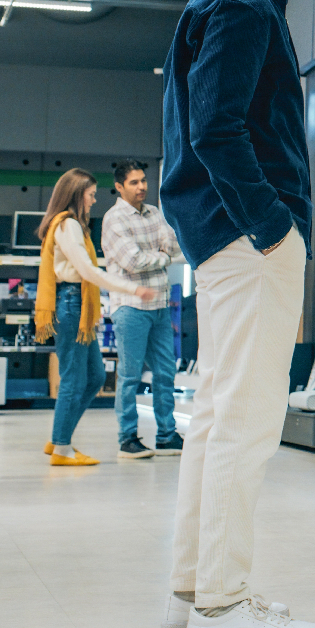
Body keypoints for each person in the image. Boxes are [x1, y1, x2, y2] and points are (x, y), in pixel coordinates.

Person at [158, 0, 315, 628]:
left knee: (219, 414)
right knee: (248, 419)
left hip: (221, 240)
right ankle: (224, 604)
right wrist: (272, 225)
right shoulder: (240, 3)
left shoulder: (226, 0)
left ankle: (191, 590)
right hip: (245, 237)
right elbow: (215, 130)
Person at [34, 168, 164, 467]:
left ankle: (58, 437)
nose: (94, 201)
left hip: (77, 305)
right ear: (78, 194)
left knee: (93, 377)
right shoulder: (68, 226)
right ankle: (63, 449)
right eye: (91, 195)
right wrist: (133, 288)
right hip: (71, 305)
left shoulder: (70, 225)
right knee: (73, 380)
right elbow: (89, 272)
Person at [101, 159, 186, 460]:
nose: (142, 187)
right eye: (134, 182)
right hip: (131, 308)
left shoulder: (155, 214)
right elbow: (133, 262)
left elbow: (176, 248)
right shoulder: (114, 219)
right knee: (130, 375)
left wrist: (161, 254)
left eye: (143, 181)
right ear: (119, 186)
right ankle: (127, 439)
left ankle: (166, 436)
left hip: (160, 306)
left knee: (165, 373)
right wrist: (162, 255)